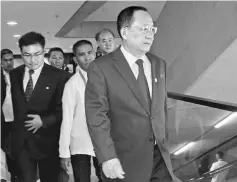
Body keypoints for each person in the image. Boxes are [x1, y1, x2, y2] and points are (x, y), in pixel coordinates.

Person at [85, 6, 182, 182]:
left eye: (152, 29)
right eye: (143, 29)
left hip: (159, 157)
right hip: (123, 160)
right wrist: (107, 157)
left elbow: (160, 108)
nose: (150, 34)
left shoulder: (158, 64)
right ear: (125, 32)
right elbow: (96, 116)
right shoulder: (101, 67)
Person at [9, 31, 70, 182]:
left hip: (48, 141)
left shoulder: (59, 76)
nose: (32, 60)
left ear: (44, 52)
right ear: (21, 54)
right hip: (22, 141)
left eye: (37, 54)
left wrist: (44, 121)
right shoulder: (15, 74)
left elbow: (65, 110)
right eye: (27, 55)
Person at [59, 40, 96, 182]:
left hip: (102, 140)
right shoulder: (71, 84)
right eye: (82, 54)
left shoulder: (105, 79)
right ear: (75, 59)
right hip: (79, 143)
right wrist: (64, 152)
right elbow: (67, 119)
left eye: (89, 53)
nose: (87, 57)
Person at [1, 49, 16, 182]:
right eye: (6, 60)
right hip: (3, 121)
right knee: (6, 150)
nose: (9, 62)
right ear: (1, 62)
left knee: (17, 149)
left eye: (11, 59)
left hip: (17, 120)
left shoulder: (18, 75)